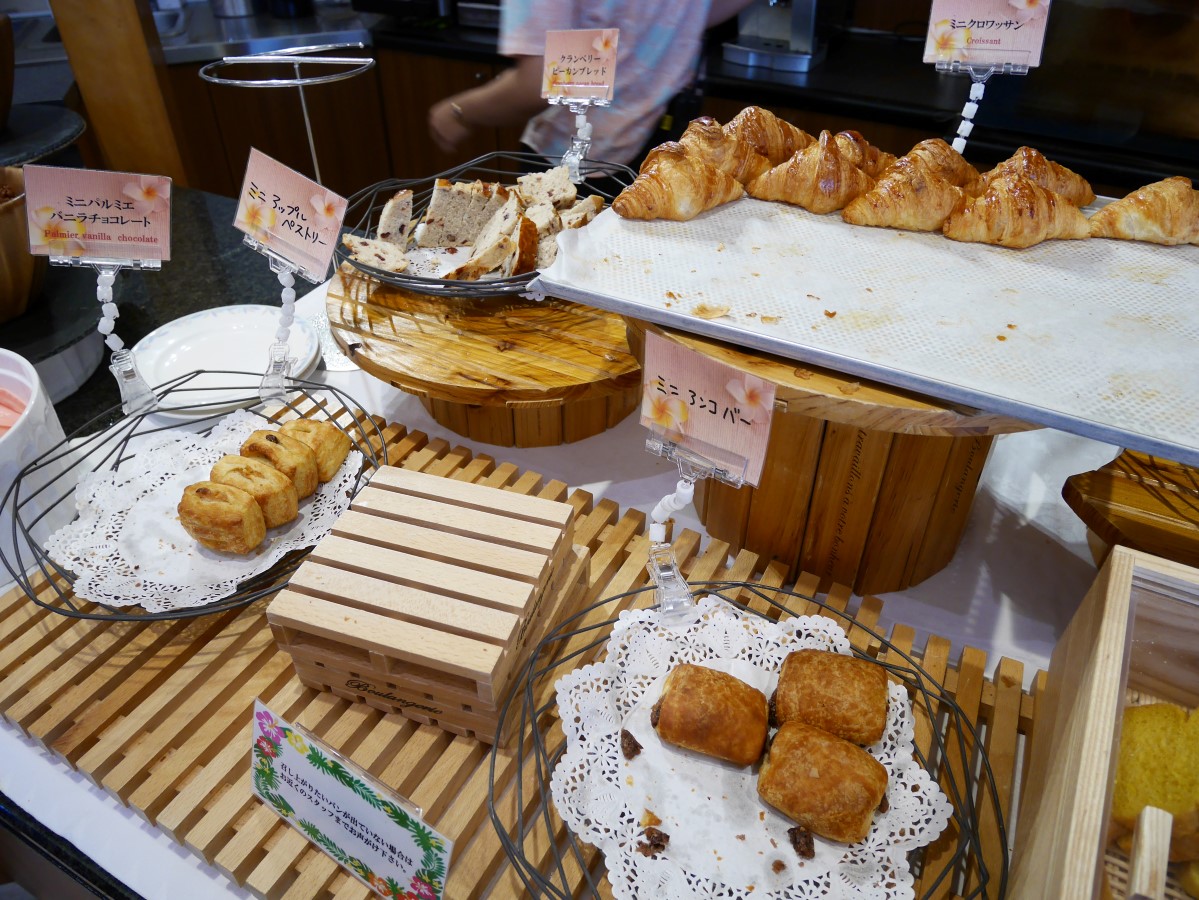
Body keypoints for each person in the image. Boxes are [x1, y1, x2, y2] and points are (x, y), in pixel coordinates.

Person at [428, 0, 755, 170]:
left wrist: (458, 112)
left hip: (580, 164)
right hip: (664, 154)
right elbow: (700, 13)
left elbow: (540, 82)